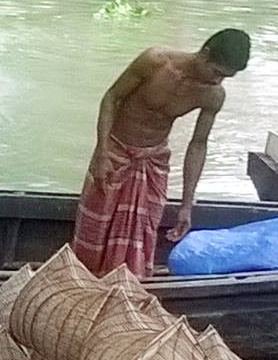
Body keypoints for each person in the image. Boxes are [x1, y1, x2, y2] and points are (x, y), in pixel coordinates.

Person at [72, 28, 251, 278]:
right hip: (115, 151)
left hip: (153, 161)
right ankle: (82, 285)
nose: (217, 81)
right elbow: (111, 98)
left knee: (143, 233)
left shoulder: (212, 95)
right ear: (204, 53)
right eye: (216, 72)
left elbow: (198, 144)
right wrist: (102, 153)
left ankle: (126, 289)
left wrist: (187, 205)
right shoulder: (155, 61)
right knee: (95, 230)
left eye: (225, 77)